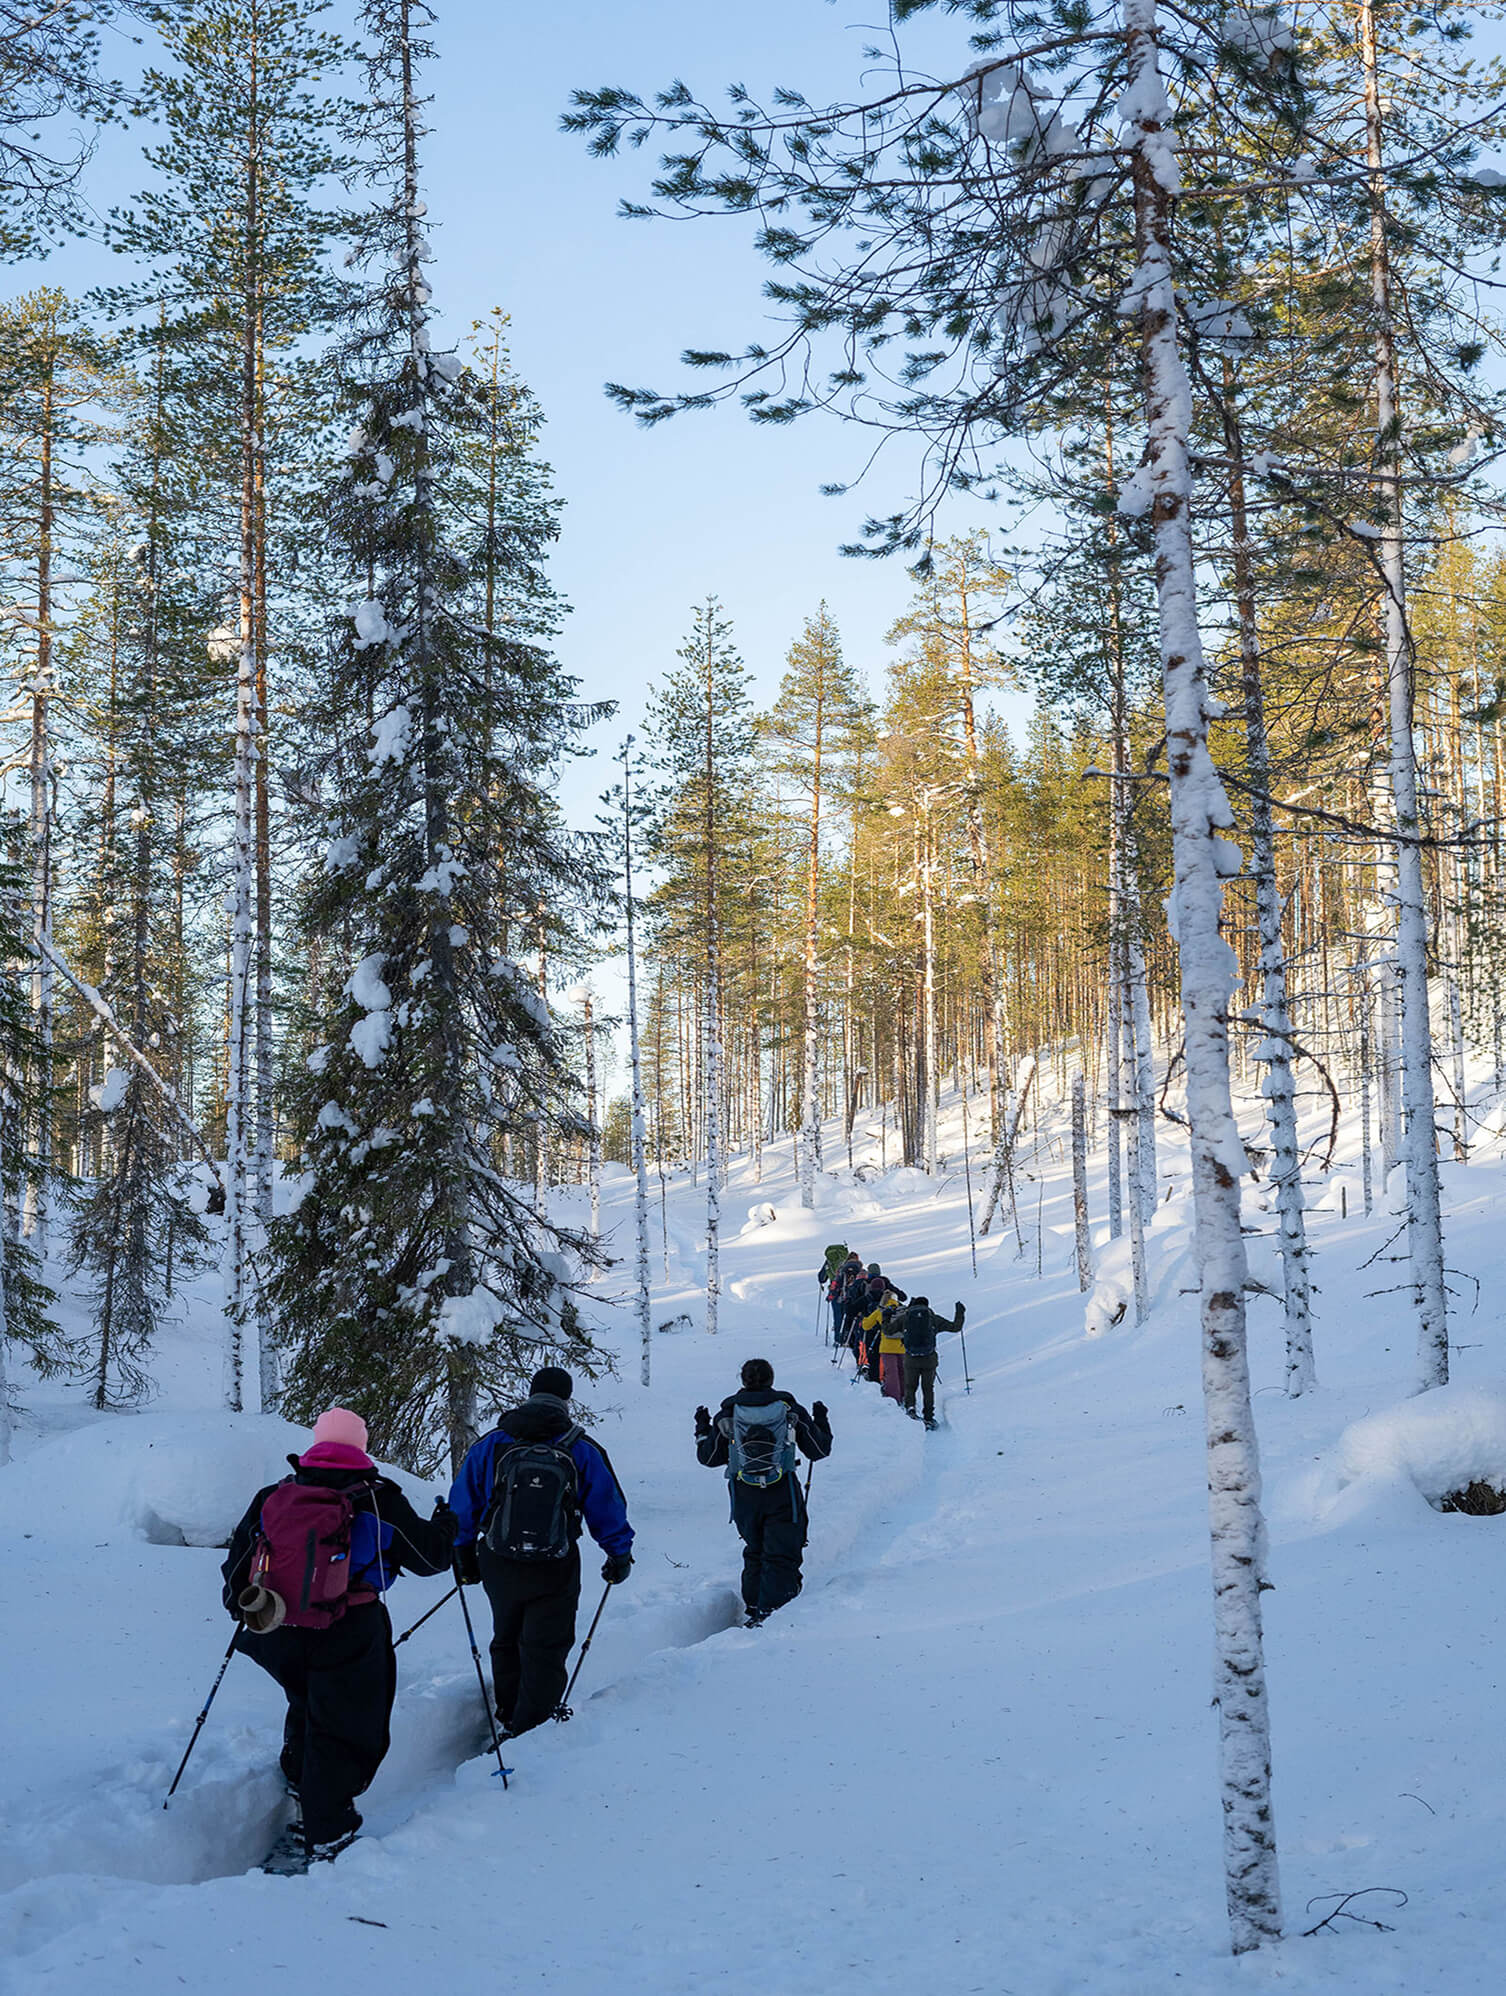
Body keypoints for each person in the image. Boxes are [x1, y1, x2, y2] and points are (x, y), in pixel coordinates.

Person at [222, 1406, 455, 1873]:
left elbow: (238, 1564)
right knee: (346, 1725)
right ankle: (327, 1829)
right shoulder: (377, 1499)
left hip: (275, 1627)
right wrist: (445, 1525)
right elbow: (430, 1559)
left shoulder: (277, 1493)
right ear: (360, 1447)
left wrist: (244, 1610)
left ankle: (298, 1779)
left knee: (305, 1701)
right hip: (348, 1628)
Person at [449, 1367, 634, 1741]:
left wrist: (462, 1554)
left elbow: (463, 1504)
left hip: (498, 1558)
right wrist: (619, 1554)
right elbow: (606, 1505)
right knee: (546, 1642)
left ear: (530, 1394)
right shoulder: (581, 1448)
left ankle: (508, 1712)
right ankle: (533, 1726)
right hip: (556, 1561)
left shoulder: (493, 1443)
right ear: (566, 1399)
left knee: (507, 1634)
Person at [695, 1359, 832, 1626]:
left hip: (744, 1494)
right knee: (781, 1552)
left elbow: (709, 1457)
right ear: (771, 1379)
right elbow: (819, 1450)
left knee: (755, 1548)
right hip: (782, 1491)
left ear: (743, 1380)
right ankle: (773, 1614)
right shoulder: (788, 1409)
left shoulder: (729, 1413)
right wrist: (821, 1420)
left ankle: (755, 1606)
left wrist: (701, 1429)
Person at [898, 1297, 966, 1427]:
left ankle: (910, 1408)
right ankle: (928, 1417)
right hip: (929, 1359)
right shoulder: (933, 1318)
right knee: (928, 1388)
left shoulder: (905, 1318)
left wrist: (885, 1318)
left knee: (910, 1386)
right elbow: (955, 1327)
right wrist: (960, 1312)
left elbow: (888, 1330)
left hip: (910, 1359)